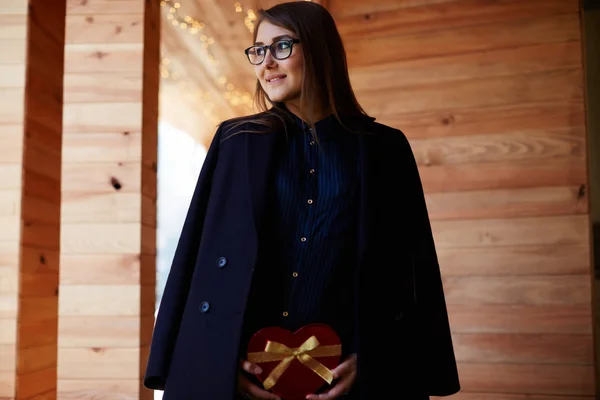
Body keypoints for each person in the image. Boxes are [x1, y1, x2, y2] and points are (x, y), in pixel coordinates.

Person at [143, 2, 460, 399]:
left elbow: (409, 271)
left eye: (281, 47)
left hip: (350, 379)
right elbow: (198, 260)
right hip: (244, 380)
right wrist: (220, 365)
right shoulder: (235, 141)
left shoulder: (384, 148)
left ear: (319, 49)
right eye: (258, 51)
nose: (266, 64)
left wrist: (374, 359)